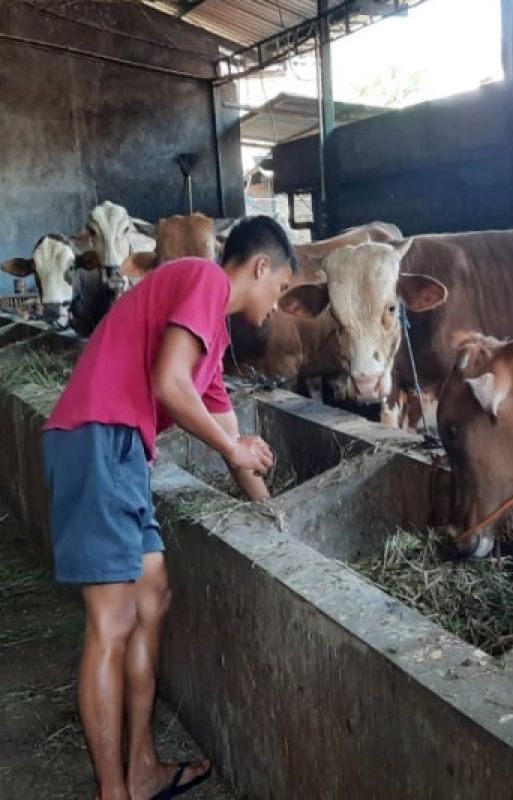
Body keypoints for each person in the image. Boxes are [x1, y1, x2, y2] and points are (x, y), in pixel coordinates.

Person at [42, 216, 298, 800]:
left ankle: (141, 768)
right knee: (111, 624)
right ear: (260, 268)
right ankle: (115, 790)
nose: (278, 304)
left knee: (152, 599)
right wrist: (233, 445)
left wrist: (276, 521)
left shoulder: (211, 336)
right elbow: (168, 385)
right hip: (97, 437)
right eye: (281, 288)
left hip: (125, 453)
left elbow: (234, 446)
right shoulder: (204, 280)